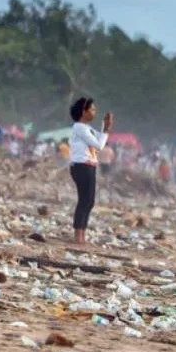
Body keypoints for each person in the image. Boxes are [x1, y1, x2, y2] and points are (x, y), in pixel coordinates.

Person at [67, 97, 112, 244]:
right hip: (81, 166)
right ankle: (78, 235)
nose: (94, 112)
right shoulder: (79, 127)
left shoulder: (88, 129)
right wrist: (105, 131)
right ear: (83, 111)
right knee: (85, 200)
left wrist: (105, 127)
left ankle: (82, 233)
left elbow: (100, 138)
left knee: (89, 201)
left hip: (89, 166)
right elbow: (99, 145)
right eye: (91, 109)